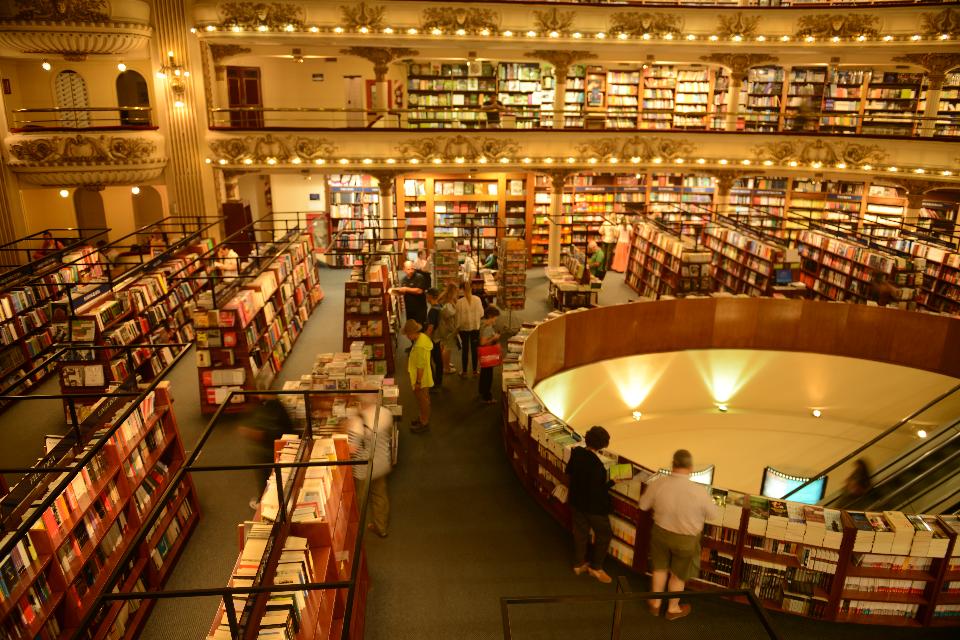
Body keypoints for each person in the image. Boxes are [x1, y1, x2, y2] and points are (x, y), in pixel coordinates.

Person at [639, 449, 719, 620]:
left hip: (660, 533)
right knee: (678, 574)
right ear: (690, 467)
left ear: (673, 464)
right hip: (686, 539)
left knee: (659, 569)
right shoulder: (699, 492)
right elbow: (713, 515)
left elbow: (643, 505)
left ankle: (655, 604)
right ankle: (672, 609)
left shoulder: (658, 483)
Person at [567, 426, 614, 584]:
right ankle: (596, 567)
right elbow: (598, 491)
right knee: (604, 535)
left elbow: (569, 472)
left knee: (580, 533)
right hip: (593, 508)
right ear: (602, 445)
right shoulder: (597, 466)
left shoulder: (577, 453)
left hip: (576, 501)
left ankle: (579, 564)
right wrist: (613, 482)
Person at [343, 396, 394, 537]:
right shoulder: (385, 412)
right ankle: (381, 527)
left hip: (363, 469)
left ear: (361, 403)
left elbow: (351, 449)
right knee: (380, 496)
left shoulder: (357, 422)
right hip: (381, 463)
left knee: (358, 499)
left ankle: (354, 531)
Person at [403, 319, 433, 433]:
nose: (406, 337)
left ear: (412, 333)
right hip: (425, 375)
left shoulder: (419, 346)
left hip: (421, 377)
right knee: (424, 399)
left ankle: (424, 422)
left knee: (422, 400)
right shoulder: (423, 337)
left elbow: (420, 367)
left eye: (407, 334)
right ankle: (422, 418)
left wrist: (418, 382)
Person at [455, 279, 483, 377]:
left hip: (463, 329)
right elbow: (482, 314)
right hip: (475, 327)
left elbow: (457, 318)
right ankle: (475, 371)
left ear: (461, 289)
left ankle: (464, 371)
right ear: (471, 288)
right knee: (475, 349)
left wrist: (457, 328)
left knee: (465, 350)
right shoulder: (477, 299)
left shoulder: (459, 302)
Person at [390, 260, 429, 325]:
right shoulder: (403, 280)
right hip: (409, 309)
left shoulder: (419, 277)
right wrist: (395, 291)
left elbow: (419, 291)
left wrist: (406, 289)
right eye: (408, 269)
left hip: (420, 309)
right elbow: (404, 292)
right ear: (404, 269)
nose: (411, 271)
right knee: (411, 327)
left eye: (412, 268)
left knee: (420, 327)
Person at [478, 306, 501, 404]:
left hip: (484, 355)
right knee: (488, 375)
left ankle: (482, 391)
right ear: (491, 316)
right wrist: (494, 338)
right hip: (488, 353)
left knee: (484, 373)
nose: (496, 320)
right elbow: (483, 342)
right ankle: (487, 397)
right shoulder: (488, 328)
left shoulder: (483, 323)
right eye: (495, 317)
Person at [436, 283, 460, 375]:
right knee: (447, 348)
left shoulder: (443, 299)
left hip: (443, 328)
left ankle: (445, 363)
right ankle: (446, 368)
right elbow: (449, 315)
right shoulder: (448, 303)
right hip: (448, 329)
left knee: (444, 346)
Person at [423, 288, 444, 391]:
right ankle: (438, 381)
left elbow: (430, 327)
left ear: (430, 296)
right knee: (438, 360)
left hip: (433, 339)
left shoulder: (432, 311)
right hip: (439, 337)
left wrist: (425, 339)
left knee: (431, 360)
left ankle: (435, 382)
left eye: (427, 296)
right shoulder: (440, 306)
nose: (426, 297)